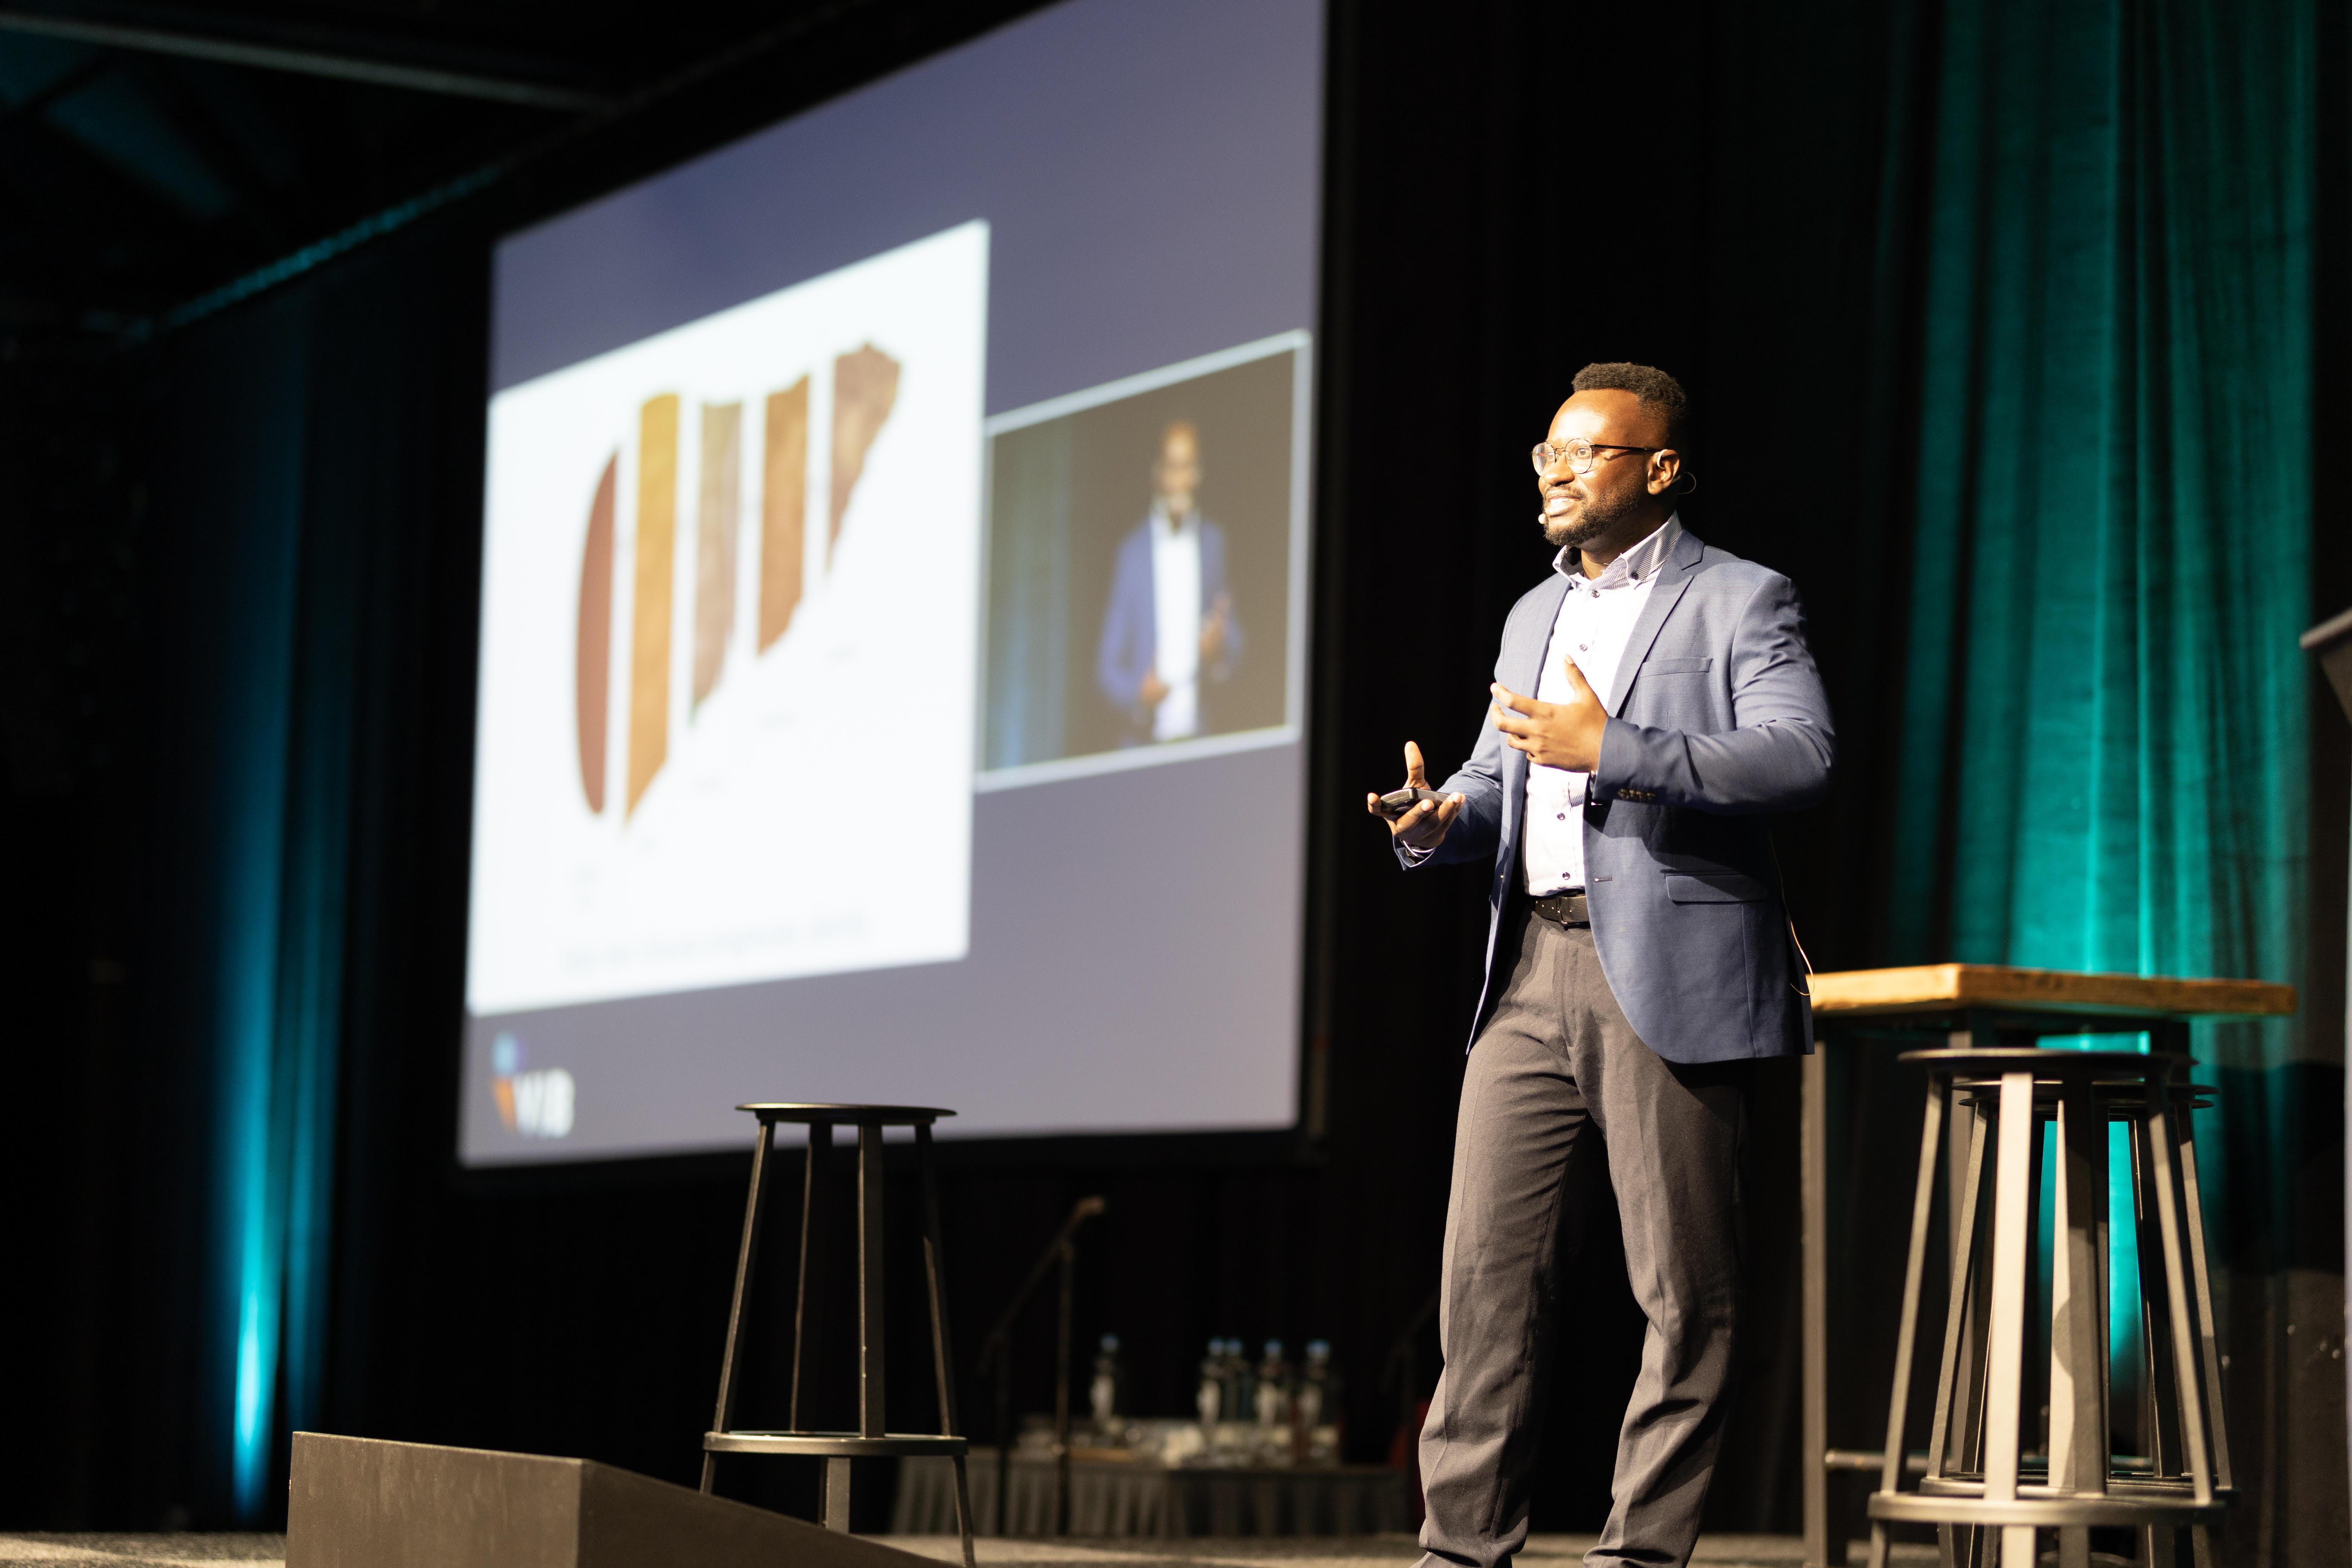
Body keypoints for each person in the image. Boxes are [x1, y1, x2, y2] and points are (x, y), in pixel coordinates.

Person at [1369, 363, 1833, 1568]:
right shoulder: (1535, 614)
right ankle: (1460, 1551)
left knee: (1684, 1297)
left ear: (1659, 469)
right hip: (1528, 975)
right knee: (1483, 1287)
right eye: (1547, 455)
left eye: (1585, 454)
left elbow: (1797, 757)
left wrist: (1616, 747)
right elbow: (1495, 778)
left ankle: (1638, 1558)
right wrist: (1440, 818)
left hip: (1668, 975)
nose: (1556, 474)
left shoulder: (1742, 598)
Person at [1097, 420, 1241, 742]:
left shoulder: (1213, 543)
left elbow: (1236, 641)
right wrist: (1139, 693)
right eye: (1175, 467)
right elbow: (1108, 667)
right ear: (1159, 472)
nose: (1182, 480)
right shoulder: (1132, 554)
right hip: (1146, 741)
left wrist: (1218, 652)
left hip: (1201, 737)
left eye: (1190, 467)